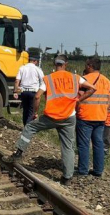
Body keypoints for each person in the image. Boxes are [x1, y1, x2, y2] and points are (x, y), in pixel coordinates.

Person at [8, 56, 96, 185]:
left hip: (51, 116)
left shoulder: (48, 79)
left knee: (30, 127)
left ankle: (18, 153)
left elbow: (37, 96)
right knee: (68, 147)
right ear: (66, 64)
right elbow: (92, 88)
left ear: (54, 64)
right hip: (69, 117)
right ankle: (67, 177)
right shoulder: (75, 77)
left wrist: (35, 113)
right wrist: (78, 100)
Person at [75, 57, 110, 177]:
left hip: (85, 116)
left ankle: (83, 170)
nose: (85, 67)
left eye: (86, 65)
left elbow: (79, 96)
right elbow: (108, 99)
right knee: (98, 144)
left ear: (90, 66)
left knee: (84, 144)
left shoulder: (84, 79)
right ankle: (98, 170)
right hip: (101, 116)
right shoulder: (107, 81)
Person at [13, 52, 45, 125]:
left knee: (25, 110)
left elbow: (17, 81)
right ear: (35, 61)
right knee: (31, 112)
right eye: (37, 61)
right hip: (33, 92)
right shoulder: (38, 69)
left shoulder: (22, 68)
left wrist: (15, 92)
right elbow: (43, 81)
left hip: (23, 92)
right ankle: (27, 129)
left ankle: (25, 126)